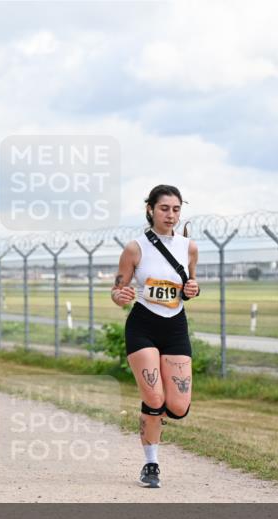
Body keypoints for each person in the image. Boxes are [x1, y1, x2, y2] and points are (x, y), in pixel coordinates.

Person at [111, 184, 200, 488]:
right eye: (164, 208)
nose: (170, 215)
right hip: (143, 325)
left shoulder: (189, 247)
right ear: (150, 209)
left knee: (178, 407)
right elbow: (118, 289)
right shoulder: (135, 248)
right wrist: (120, 295)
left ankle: (155, 416)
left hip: (175, 327)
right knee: (153, 397)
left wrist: (193, 289)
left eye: (176, 209)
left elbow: (190, 286)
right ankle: (151, 463)